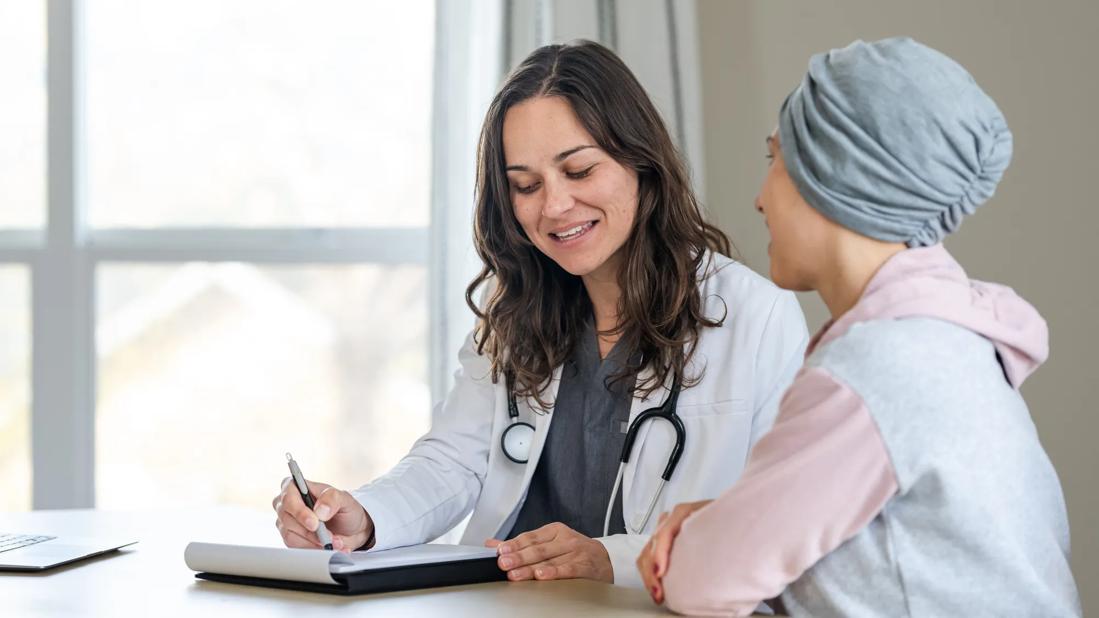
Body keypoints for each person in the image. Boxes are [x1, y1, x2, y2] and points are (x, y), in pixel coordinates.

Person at [272, 39, 808, 589]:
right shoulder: (516, 310)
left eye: (578, 171)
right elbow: (452, 462)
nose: (553, 206)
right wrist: (362, 517)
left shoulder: (754, 318)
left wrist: (610, 560)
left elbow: (769, 524)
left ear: (640, 162)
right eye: (526, 185)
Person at [638, 37, 1081, 615]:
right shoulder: (950, 343)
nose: (759, 199)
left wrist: (700, 538)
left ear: (834, 178)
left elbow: (700, 583)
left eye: (775, 159)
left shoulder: (875, 371)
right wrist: (722, 522)